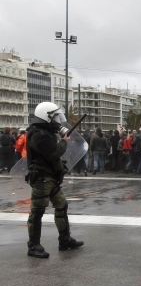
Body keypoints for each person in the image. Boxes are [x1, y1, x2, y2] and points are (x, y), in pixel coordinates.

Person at [25, 102, 84, 258]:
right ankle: (33, 246)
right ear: (47, 116)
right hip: (42, 178)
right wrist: (64, 141)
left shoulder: (45, 132)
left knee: (61, 205)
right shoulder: (38, 135)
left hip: (50, 178)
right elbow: (53, 153)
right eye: (55, 117)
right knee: (37, 211)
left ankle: (64, 239)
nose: (58, 120)